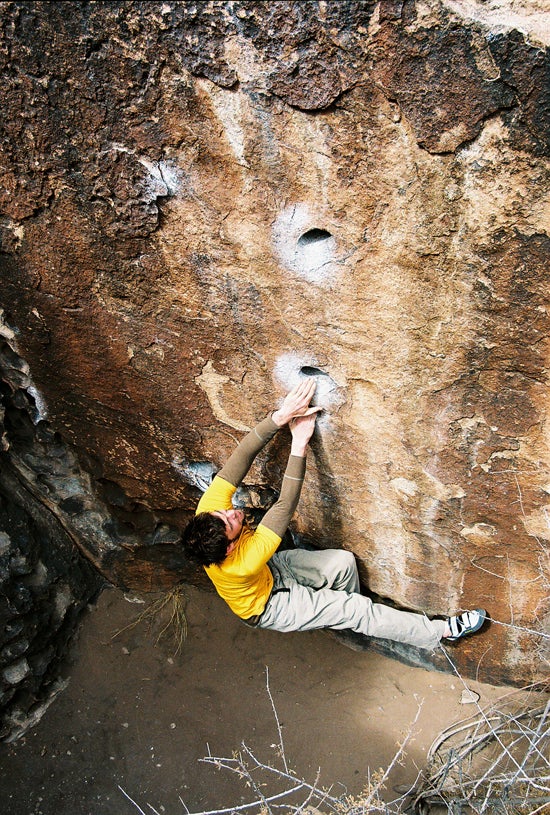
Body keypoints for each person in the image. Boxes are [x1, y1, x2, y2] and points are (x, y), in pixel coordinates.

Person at [181, 380, 486, 649]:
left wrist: (280, 417)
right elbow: (285, 505)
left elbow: (241, 456)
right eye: (230, 523)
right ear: (231, 547)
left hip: (272, 570)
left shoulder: (208, 515)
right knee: (353, 610)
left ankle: (350, 617)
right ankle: (442, 631)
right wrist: (299, 443)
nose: (231, 512)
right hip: (271, 605)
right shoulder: (243, 564)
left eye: (224, 514)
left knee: (343, 564)